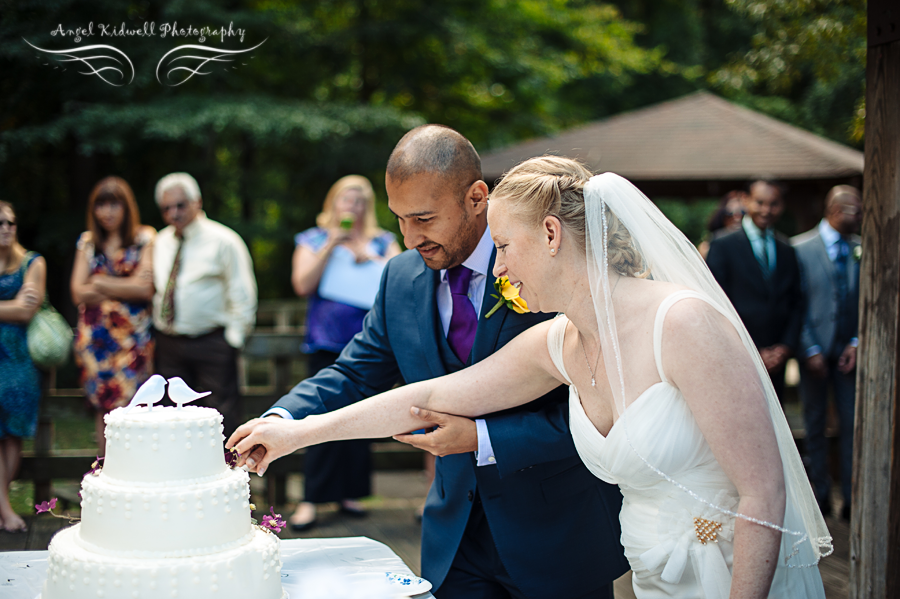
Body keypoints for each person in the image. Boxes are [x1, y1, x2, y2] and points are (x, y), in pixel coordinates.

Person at [229, 157, 831, 599]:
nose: (502, 268)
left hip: (732, 573)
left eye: (506, 246)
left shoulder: (683, 322)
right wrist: (297, 435)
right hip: (652, 574)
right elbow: (428, 397)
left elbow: (764, 492)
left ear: (551, 235)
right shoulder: (557, 341)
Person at [244, 127, 628, 599]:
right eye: (399, 219)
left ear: (476, 197)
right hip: (453, 539)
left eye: (423, 218)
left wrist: (483, 439)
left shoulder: (550, 263)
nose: (409, 238)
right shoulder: (401, 277)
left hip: (556, 533)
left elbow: (599, 408)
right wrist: (281, 419)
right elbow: (353, 372)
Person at [286, 175, 401, 530]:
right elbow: (302, 284)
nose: (351, 207)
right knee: (318, 417)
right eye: (345, 200)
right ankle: (310, 498)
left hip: (370, 345)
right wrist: (331, 246)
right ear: (333, 202)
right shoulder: (314, 239)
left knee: (361, 418)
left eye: (359, 201)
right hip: (325, 341)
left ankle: (349, 493)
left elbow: (398, 282)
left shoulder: (384, 241)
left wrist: (371, 258)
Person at [152, 173, 257, 437]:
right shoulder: (160, 242)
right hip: (169, 344)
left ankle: (225, 474)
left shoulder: (223, 240)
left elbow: (242, 292)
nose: (174, 213)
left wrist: (233, 339)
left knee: (220, 418)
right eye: (167, 208)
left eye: (180, 205)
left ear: (197, 202)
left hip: (212, 343)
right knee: (172, 419)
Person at [71, 177, 156, 455]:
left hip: (133, 340)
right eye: (101, 205)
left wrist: (98, 283)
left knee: (137, 405)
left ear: (126, 207)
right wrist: (123, 285)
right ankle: (108, 470)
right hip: (95, 342)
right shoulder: (87, 243)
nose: (107, 212)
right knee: (104, 407)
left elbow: (144, 288)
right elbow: (77, 292)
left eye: (114, 204)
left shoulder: (145, 238)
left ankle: (137, 473)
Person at [792, 185, 862, 521]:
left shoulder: (864, 247)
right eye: (855, 209)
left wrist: (857, 341)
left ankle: (851, 500)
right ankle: (819, 499)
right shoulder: (800, 248)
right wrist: (810, 348)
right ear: (835, 208)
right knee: (814, 425)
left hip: (849, 356)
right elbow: (796, 304)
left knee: (852, 427)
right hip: (813, 355)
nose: (860, 216)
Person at [706, 180, 803, 400]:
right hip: (737, 352)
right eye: (760, 202)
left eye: (774, 203)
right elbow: (716, 301)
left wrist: (785, 347)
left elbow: (796, 301)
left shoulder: (787, 249)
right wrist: (753, 349)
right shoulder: (722, 244)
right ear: (746, 201)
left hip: (777, 359)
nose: (766, 210)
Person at [0, 201, 46, 532]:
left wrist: (18, 308)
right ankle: (5, 509)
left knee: (14, 429)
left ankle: (2, 508)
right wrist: (11, 305)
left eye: (10, 222)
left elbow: (25, 312)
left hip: (17, 357)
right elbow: (16, 307)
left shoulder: (33, 262)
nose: (5, 228)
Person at [698, 190, 745, 260]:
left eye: (742, 212)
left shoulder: (753, 244)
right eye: (730, 213)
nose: (736, 218)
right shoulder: (707, 246)